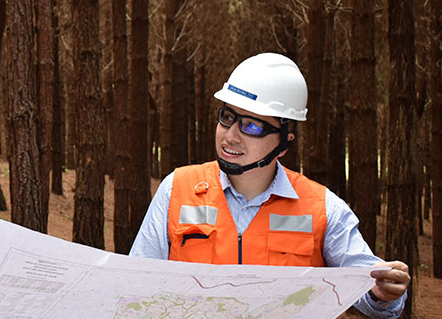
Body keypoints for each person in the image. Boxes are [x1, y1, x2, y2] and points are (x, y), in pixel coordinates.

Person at [130, 53, 410, 318]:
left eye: (251, 126)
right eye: (227, 118)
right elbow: (136, 287)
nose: (231, 135)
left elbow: (370, 290)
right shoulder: (177, 190)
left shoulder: (322, 208)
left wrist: (383, 292)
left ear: (285, 142)